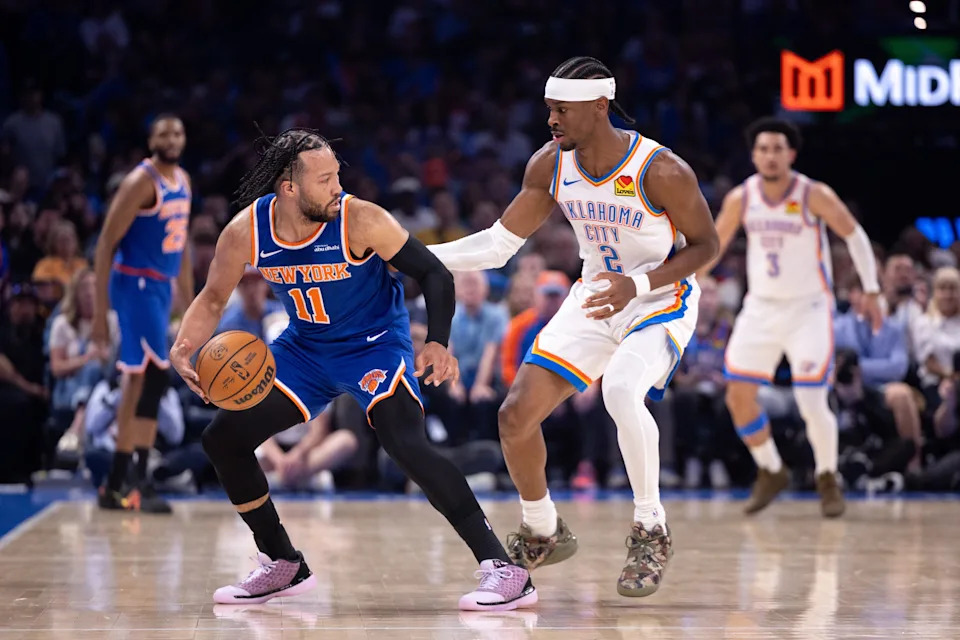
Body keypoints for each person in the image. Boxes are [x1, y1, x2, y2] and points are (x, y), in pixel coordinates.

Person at [168, 129, 537, 610]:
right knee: (222, 439)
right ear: (289, 188)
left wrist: (437, 342)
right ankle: (282, 562)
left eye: (336, 175)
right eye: (324, 180)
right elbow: (214, 297)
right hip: (305, 348)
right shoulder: (247, 231)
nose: (337, 187)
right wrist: (185, 345)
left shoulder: (361, 219)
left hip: (374, 344)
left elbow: (433, 273)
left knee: (405, 443)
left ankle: (505, 569)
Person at [428, 56, 718, 596]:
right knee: (515, 416)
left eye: (562, 109)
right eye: (549, 109)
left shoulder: (661, 170)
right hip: (594, 294)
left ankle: (651, 528)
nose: (551, 120)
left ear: (600, 107)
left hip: (661, 296)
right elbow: (498, 246)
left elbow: (707, 247)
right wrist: (412, 254)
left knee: (621, 390)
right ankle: (542, 530)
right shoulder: (549, 164)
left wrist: (639, 284)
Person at [707, 117, 882, 517]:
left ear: (791, 154)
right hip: (761, 308)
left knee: (810, 398)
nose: (770, 156)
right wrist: (682, 281)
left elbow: (854, 235)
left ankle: (827, 476)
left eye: (777, 149)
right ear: (753, 156)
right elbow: (714, 247)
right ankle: (771, 469)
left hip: (808, 308)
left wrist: (871, 289)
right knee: (738, 396)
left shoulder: (812, 194)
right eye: (763, 149)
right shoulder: (742, 197)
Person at [91, 114, 194, 513]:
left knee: (137, 381)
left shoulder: (183, 181)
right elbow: (105, 244)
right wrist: (100, 313)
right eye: (164, 133)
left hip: (160, 286)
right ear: (151, 140)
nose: (172, 138)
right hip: (134, 284)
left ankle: (117, 483)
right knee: (155, 378)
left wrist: (190, 302)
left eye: (178, 132)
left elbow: (181, 246)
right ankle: (139, 481)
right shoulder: (140, 181)